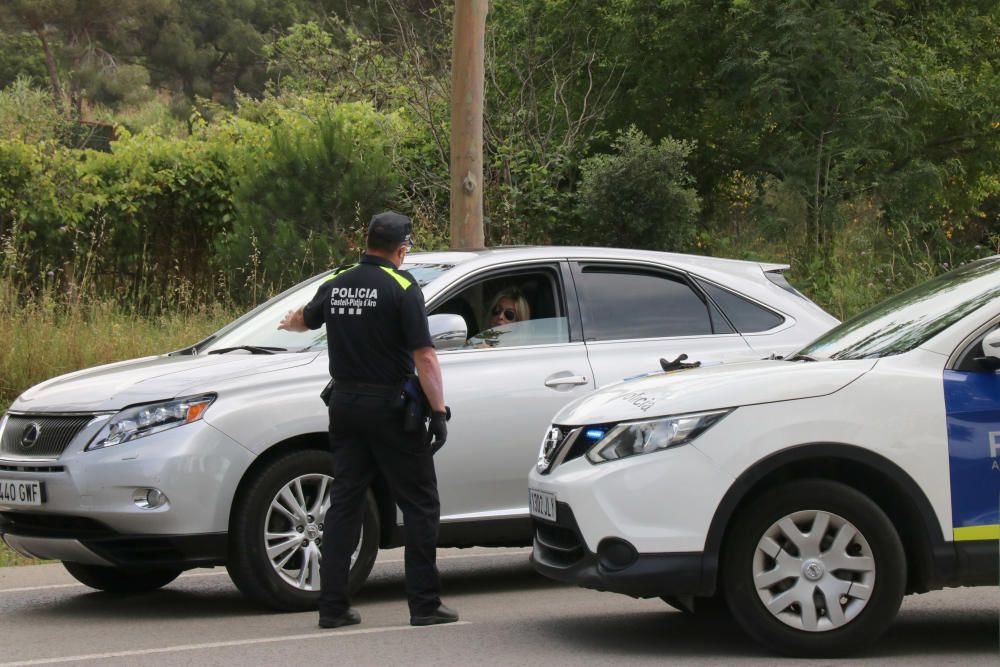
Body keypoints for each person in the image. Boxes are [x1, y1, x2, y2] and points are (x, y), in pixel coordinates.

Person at [277, 211, 457, 630]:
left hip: (344, 405)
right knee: (420, 504)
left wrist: (291, 321)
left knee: (345, 503)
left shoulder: (338, 281)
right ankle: (425, 604)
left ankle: (333, 607)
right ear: (401, 249)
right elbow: (424, 355)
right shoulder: (402, 286)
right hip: (390, 409)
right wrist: (438, 410)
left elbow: (306, 318)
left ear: (367, 242)